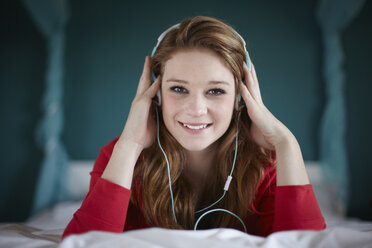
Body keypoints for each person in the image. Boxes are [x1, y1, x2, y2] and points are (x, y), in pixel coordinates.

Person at [62, 16, 326, 239]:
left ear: (241, 98)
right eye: (178, 88)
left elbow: (304, 243)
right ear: (156, 94)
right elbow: (85, 243)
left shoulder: (268, 162)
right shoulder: (119, 156)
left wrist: (287, 144)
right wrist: (129, 145)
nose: (196, 109)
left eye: (215, 90)